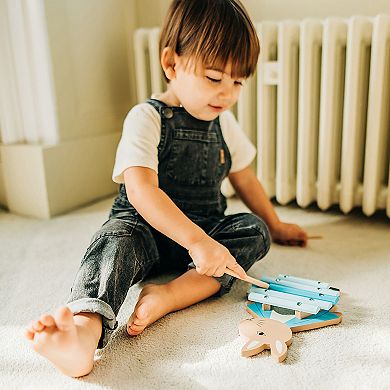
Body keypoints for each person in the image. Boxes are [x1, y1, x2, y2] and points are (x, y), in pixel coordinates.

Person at [25, 0, 307, 377]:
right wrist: (194, 241)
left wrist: (275, 224)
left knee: (251, 230)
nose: (227, 93)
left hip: (203, 236)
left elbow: (245, 178)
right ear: (171, 63)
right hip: (145, 231)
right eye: (213, 77)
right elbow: (141, 191)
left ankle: (170, 294)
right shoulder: (146, 117)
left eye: (237, 82)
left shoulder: (224, 123)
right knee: (113, 241)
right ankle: (84, 329)